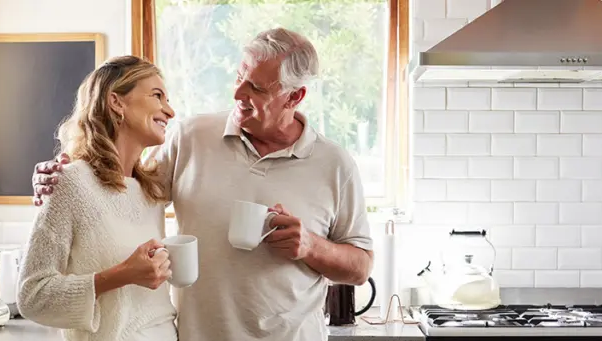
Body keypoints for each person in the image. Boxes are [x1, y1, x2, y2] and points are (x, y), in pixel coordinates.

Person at [31, 28, 374, 341]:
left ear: (294, 97)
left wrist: (311, 246)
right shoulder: (192, 137)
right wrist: (65, 169)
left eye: (256, 87)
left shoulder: (335, 164)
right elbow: (126, 186)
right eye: (240, 77)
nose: (238, 93)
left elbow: (361, 268)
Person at [17, 55, 179, 341]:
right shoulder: (70, 182)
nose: (170, 111)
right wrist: (122, 274)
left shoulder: (151, 190)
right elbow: (32, 296)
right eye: (157, 96)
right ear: (117, 102)